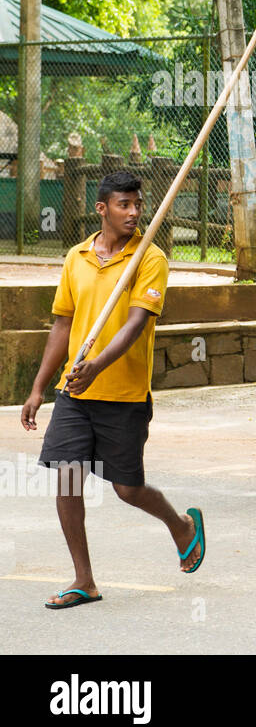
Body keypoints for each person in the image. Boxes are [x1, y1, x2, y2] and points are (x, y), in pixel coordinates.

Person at [20, 169, 205, 609]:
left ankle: (182, 527)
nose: (134, 212)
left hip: (123, 397)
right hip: (75, 394)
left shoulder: (150, 257)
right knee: (67, 479)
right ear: (102, 208)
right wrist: (39, 387)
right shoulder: (76, 257)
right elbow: (62, 325)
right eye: (124, 205)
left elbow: (137, 324)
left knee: (127, 489)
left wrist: (98, 366)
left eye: (138, 204)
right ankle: (84, 580)